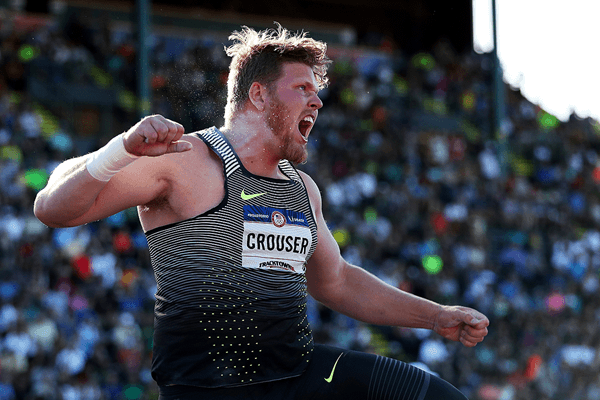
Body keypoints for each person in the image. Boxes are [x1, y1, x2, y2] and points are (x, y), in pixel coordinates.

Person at [34, 24, 489, 400]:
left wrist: (434, 316)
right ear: (258, 95)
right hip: (210, 388)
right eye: (302, 89)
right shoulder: (185, 160)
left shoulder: (301, 189)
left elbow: (335, 281)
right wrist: (120, 150)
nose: (317, 102)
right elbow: (52, 207)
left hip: (298, 375)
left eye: (317, 92)